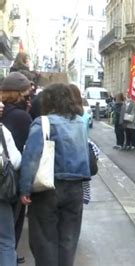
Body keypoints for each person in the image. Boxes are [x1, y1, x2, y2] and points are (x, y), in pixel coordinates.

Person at [19, 83, 91, 266]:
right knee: (68, 240)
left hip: (48, 187)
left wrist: (25, 188)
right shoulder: (80, 123)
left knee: (44, 240)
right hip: (75, 189)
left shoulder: (44, 122)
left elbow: (32, 157)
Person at [0, 72, 33, 264]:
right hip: (9, 179)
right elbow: (20, 157)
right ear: (19, 94)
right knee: (8, 235)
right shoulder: (21, 117)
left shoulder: (8, 116)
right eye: (27, 93)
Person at [0, 99, 22, 266]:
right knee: (6, 241)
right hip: (1, 194)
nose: (2, 105)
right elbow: (15, 160)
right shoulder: (2, 131)